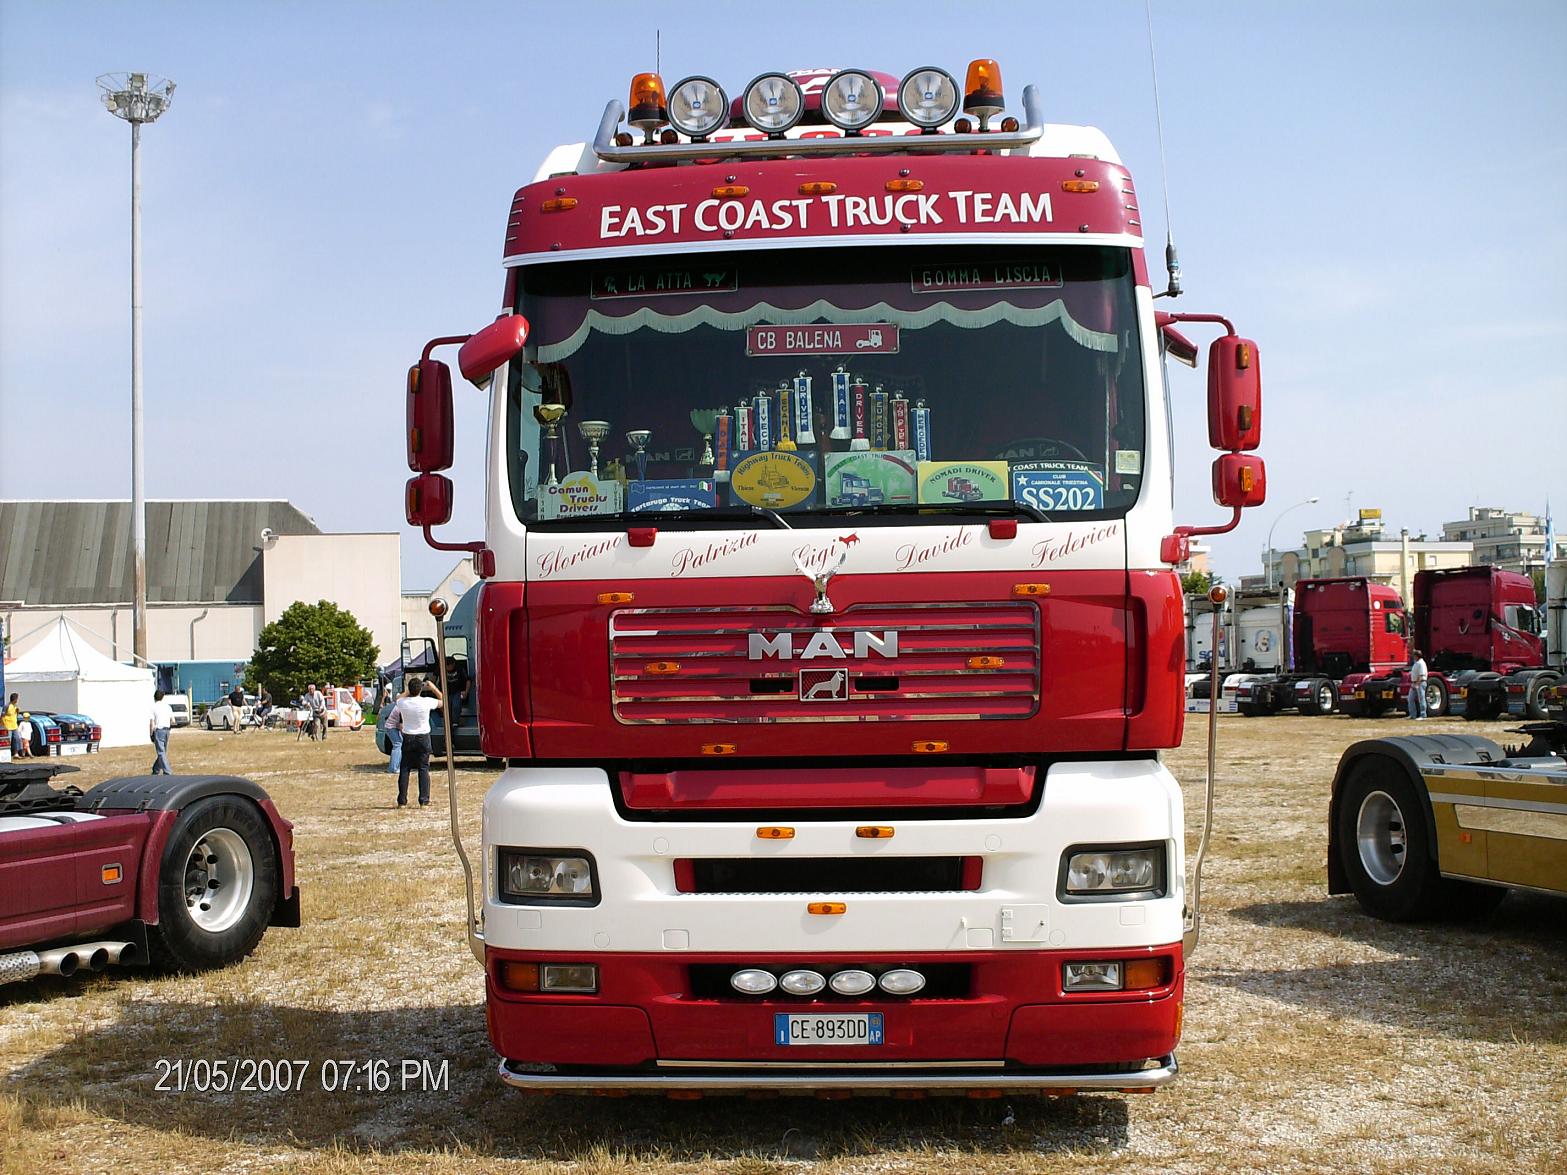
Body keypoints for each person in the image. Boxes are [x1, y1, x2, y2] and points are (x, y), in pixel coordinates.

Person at [391, 675, 443, 807]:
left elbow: (397, 698)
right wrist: (433, 688)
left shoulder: (403, 703)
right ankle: (424, 800)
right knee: (423, 768)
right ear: (421, 689)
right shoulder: (426, 701)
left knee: (405, 768)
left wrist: (408, 691)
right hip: (423, 736)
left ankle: (402, 800)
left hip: (408, 736)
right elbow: (442, 701)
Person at [383, 683, 405, 776]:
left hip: (391, 726)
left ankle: (394, 767)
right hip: (391, 727)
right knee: (398, 744)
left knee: (398, 744)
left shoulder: (400, 704)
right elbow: (401, 725)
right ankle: (394, 768)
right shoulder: (402, 707)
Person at [150, 689, 174, 774]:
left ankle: (167, 771)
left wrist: (151, 733)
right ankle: (156, 769)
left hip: (159, 730)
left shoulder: (153, 707)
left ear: (154, 697)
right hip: (167, 730)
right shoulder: (168, 707)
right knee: (163, 751)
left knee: (161, 752)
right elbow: (173, 720)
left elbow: (152, 722)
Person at [1407, 648, 1429, 720]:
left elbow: (1421, 675)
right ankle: (1412, 715)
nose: (1413, 657)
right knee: (1410, 699)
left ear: (1417, 656)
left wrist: (1417, 684)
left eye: (1414, 655)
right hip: (1414, 683)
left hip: (1420, 683)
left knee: (1421, 699)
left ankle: (1423, 715)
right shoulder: (1416, 663)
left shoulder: (1421, 663)